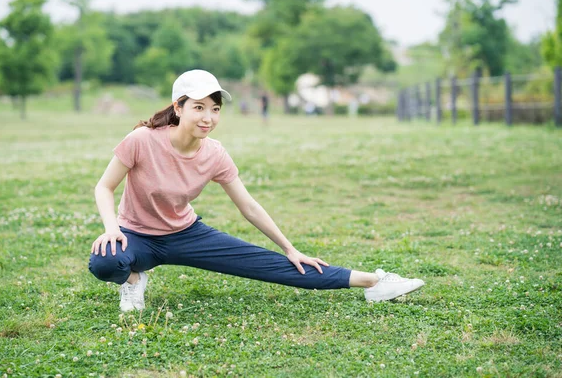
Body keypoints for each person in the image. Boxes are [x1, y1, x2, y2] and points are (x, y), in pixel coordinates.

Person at [88, 69, 425, 312]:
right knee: (106, 262)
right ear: (178, 107)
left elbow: (247, 205)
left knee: (271, 264)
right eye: (199, 107)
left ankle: (374, 282)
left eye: (215, 109)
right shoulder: (142, 141)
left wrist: (290, 248)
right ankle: (133, 280)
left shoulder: (214, 153)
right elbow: (105, 187)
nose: (208, 117)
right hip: (136, 235)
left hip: (186, 234)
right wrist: (112, 228)